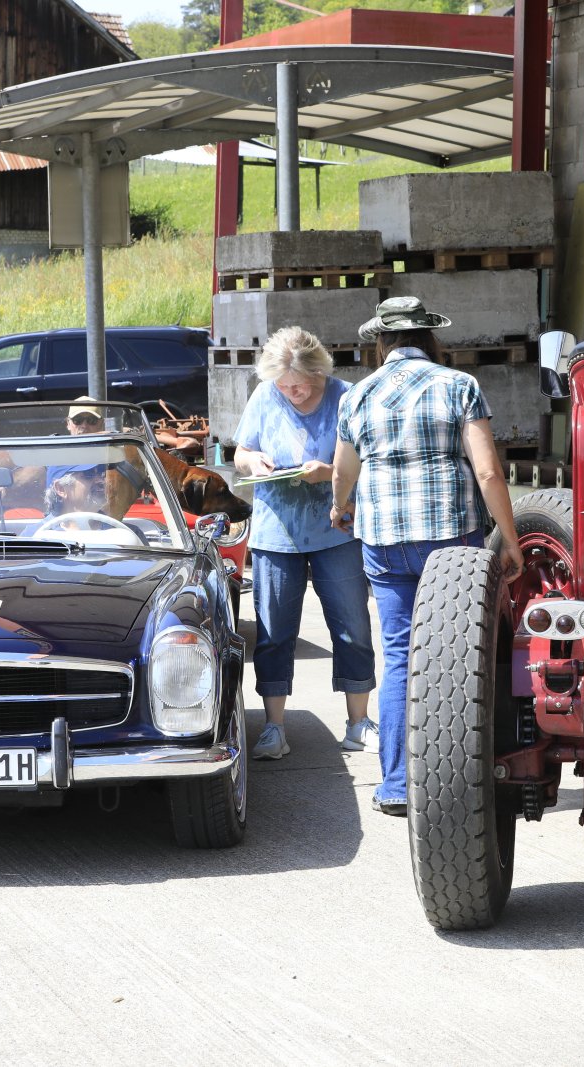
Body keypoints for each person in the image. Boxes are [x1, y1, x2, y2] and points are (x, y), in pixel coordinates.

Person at [331, 297, 522, 816]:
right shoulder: (459, 386)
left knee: (399, 656)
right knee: (459, 657)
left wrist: (340, 507)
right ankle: (459, 783)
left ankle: (396, 785)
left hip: (384, 543)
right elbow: (488, 472)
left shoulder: (358, 394)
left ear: (382, 342)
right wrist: (509, 538)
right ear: (430, 338)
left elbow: (344, 470)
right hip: (450, 540)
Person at [234, 326, 377, 761]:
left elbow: (368, 459)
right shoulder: (265, 395)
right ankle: (274, 727)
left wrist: (329, 473)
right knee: (274, 632)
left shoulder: (345, 396)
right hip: (277, 532)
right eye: (283, 386)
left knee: (352, 627)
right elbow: (240, 451)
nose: (291, 392)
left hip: (337, 528)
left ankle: (358, 722)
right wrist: (253, 461)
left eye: (298, 385)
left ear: (318, 372)